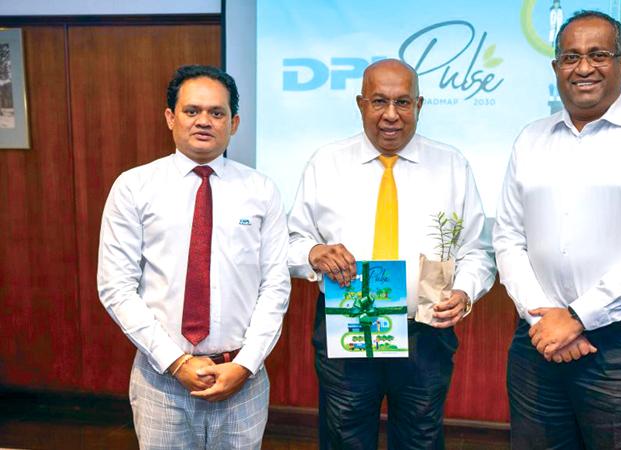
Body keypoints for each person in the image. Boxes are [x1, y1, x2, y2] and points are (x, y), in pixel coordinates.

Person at [493, 11, 621, 450]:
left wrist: (579, 317)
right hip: (538, 339)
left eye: (598, 55)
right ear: (556, 69)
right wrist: (545, 318)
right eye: (571, 57)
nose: (584, 68)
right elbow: (508, 237)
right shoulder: (530, 138)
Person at [287, 58, 495, 449]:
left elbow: (478, 251)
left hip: (426, 331)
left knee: (420, 438)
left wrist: (465, 292)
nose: (390, 115)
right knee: (344, 438)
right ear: (360, 103)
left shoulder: (452, 164)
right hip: (347, 325)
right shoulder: (325, 163)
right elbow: (290, 242)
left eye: (402, 103)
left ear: (419, 105)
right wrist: (314, 252)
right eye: (379, 101)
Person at [97, 65, 291, 449]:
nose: (204, 121)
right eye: (192, 111)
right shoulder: (134, 187)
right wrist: (178, 362)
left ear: (233, 123)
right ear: (170, 117)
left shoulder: (261, 190)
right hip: (162, 380)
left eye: (217, 113)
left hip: (242, 379)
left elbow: (275, 286)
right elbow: (116, 288)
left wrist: (245, 364)